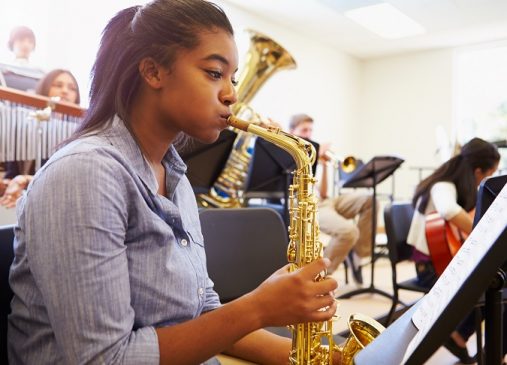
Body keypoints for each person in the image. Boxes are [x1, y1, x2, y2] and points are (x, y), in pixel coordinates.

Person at [7, 2, 340, 364]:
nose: (231, 95)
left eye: (232, 78)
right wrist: (258, 308)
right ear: (153, 72)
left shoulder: (174, 176)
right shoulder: (84, 174)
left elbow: (201, 310)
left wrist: (325, 357)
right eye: (214, 73)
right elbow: (103, 359)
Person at [407, 137, 501, 363]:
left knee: (498, 281)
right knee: (494, 283)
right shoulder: (443, 185)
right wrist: (484, 233)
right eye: (490, 173)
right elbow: (448, 210)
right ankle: (472, 343)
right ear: (478, 171)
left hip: (445, 262)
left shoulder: (460, 187)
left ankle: (470, 341)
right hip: (430, 269)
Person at [289, 113, 376, 285]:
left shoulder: (311, 152)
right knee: (349, 232)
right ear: (292, 131)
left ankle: (358, 254)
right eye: (304, 130)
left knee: (369, 199)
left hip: (325, 201)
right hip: (308, 206)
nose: (308, 134)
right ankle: (317, 277)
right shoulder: (290, 152)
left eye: (310, 130)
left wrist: (325, 166)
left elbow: (323, 193)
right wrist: (315, 155)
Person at [0, 69, 80, 208]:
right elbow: (12, 174)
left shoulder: (79, 135)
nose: (65, 91)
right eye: (58, 85)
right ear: (45, 88)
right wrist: (11, 184)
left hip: (62, 204)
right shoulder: (26, 128)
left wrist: (25, 180)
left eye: (72, 88)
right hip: (25, 205)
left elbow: (73, 180)